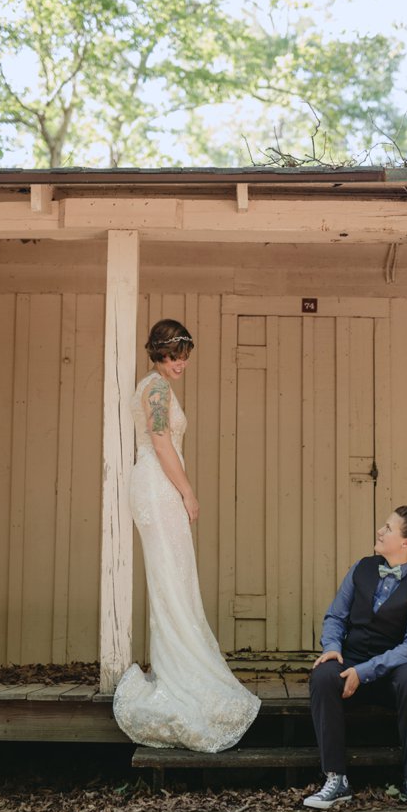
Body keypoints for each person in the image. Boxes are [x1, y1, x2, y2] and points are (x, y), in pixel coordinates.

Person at [111, 319, 261, 752]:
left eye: (184, 355)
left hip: (159, 484)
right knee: (172, 583)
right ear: (157, 353)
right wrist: (188, 492)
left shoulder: (156, 385)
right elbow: (160, 443)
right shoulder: (155, 388)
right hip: (159, 487)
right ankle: (179, 676)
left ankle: (180, 666)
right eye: (172, 356)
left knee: (176, 581)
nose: (180, 363)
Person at [303, 507, 407, 811]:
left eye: (388, 528)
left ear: (406, 543)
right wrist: (331, 646)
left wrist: (363, 672)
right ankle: (336, 779)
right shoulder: (362, 568)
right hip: (351, 662)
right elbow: (335, 616)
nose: (380, 531)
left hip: (394, 673)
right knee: (324, 675)